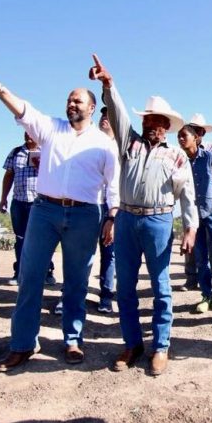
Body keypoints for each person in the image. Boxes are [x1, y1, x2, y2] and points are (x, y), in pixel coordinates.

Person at [0, 70, 119, 371]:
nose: (72, 104)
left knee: (77, 281)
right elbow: (23, 109)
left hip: (85, 214)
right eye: (69, 100)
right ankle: (23, 344)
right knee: (30, 277)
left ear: (91, 108)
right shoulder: (51, 128)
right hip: (44, 211)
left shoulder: (104, 143)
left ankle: (73, 340)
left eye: (78, 100)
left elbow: (113, 183)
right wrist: (0, 89)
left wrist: (113, 216)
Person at [89, 54, 197, 377]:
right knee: (125, 286)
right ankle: (132, 343)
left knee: (161, 285)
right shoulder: (130, 144)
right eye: (148, 119)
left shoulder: (176, 156)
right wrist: (109, 85)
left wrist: (190, 228)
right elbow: (119, 114)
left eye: (158, 121)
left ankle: (161, 346)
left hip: (159, 221)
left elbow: (187, 194)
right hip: (127, 219)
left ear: (167, 126)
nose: (152, 125)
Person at [178, 123, 212, 314]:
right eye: (179, 136)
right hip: (193, 218)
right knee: (201, 259)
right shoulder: (180, 161)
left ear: (196, 138)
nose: (181, 139)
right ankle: (207, 296)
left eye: (185, 136)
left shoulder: (209, 158)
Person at [0, 132, 56, 286]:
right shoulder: (15, 152)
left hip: (40, 203)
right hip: (19, 202)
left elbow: (55, 176)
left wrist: (41, 167)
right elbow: (8, 175)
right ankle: (20, 273)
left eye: (32, 132)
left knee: (43, 239)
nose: (28, 135)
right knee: (20, 238)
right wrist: (3, 198)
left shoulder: (47, 151)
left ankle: (47, 272)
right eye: (26, 131)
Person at [177, 113, 212, 292]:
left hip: (209, 205)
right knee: (190, 241)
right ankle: (191, 278)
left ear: (202, 133)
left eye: (199, 130)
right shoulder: (182, 152)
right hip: (190, 202)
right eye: (194, 129)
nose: (197, 132)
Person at [96, 106, 118, 314]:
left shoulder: (123, 147)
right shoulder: (88, 142)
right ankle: (69, 296)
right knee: (80, 252)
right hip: (88, 203)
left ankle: (106, 296)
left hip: (112, 207)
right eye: (102, 114)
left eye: (109, 116)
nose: (104, 118)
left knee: (109, 253)